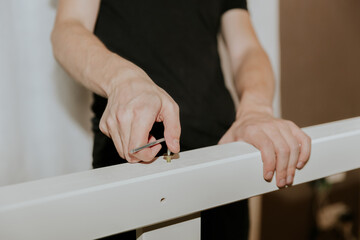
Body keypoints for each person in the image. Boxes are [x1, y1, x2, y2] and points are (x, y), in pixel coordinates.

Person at [51, 0, 311, 239]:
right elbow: (69, 28)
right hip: (129, 163)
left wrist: (255, 109)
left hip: (221, 159)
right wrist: (123, 79)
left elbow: (246, 48)